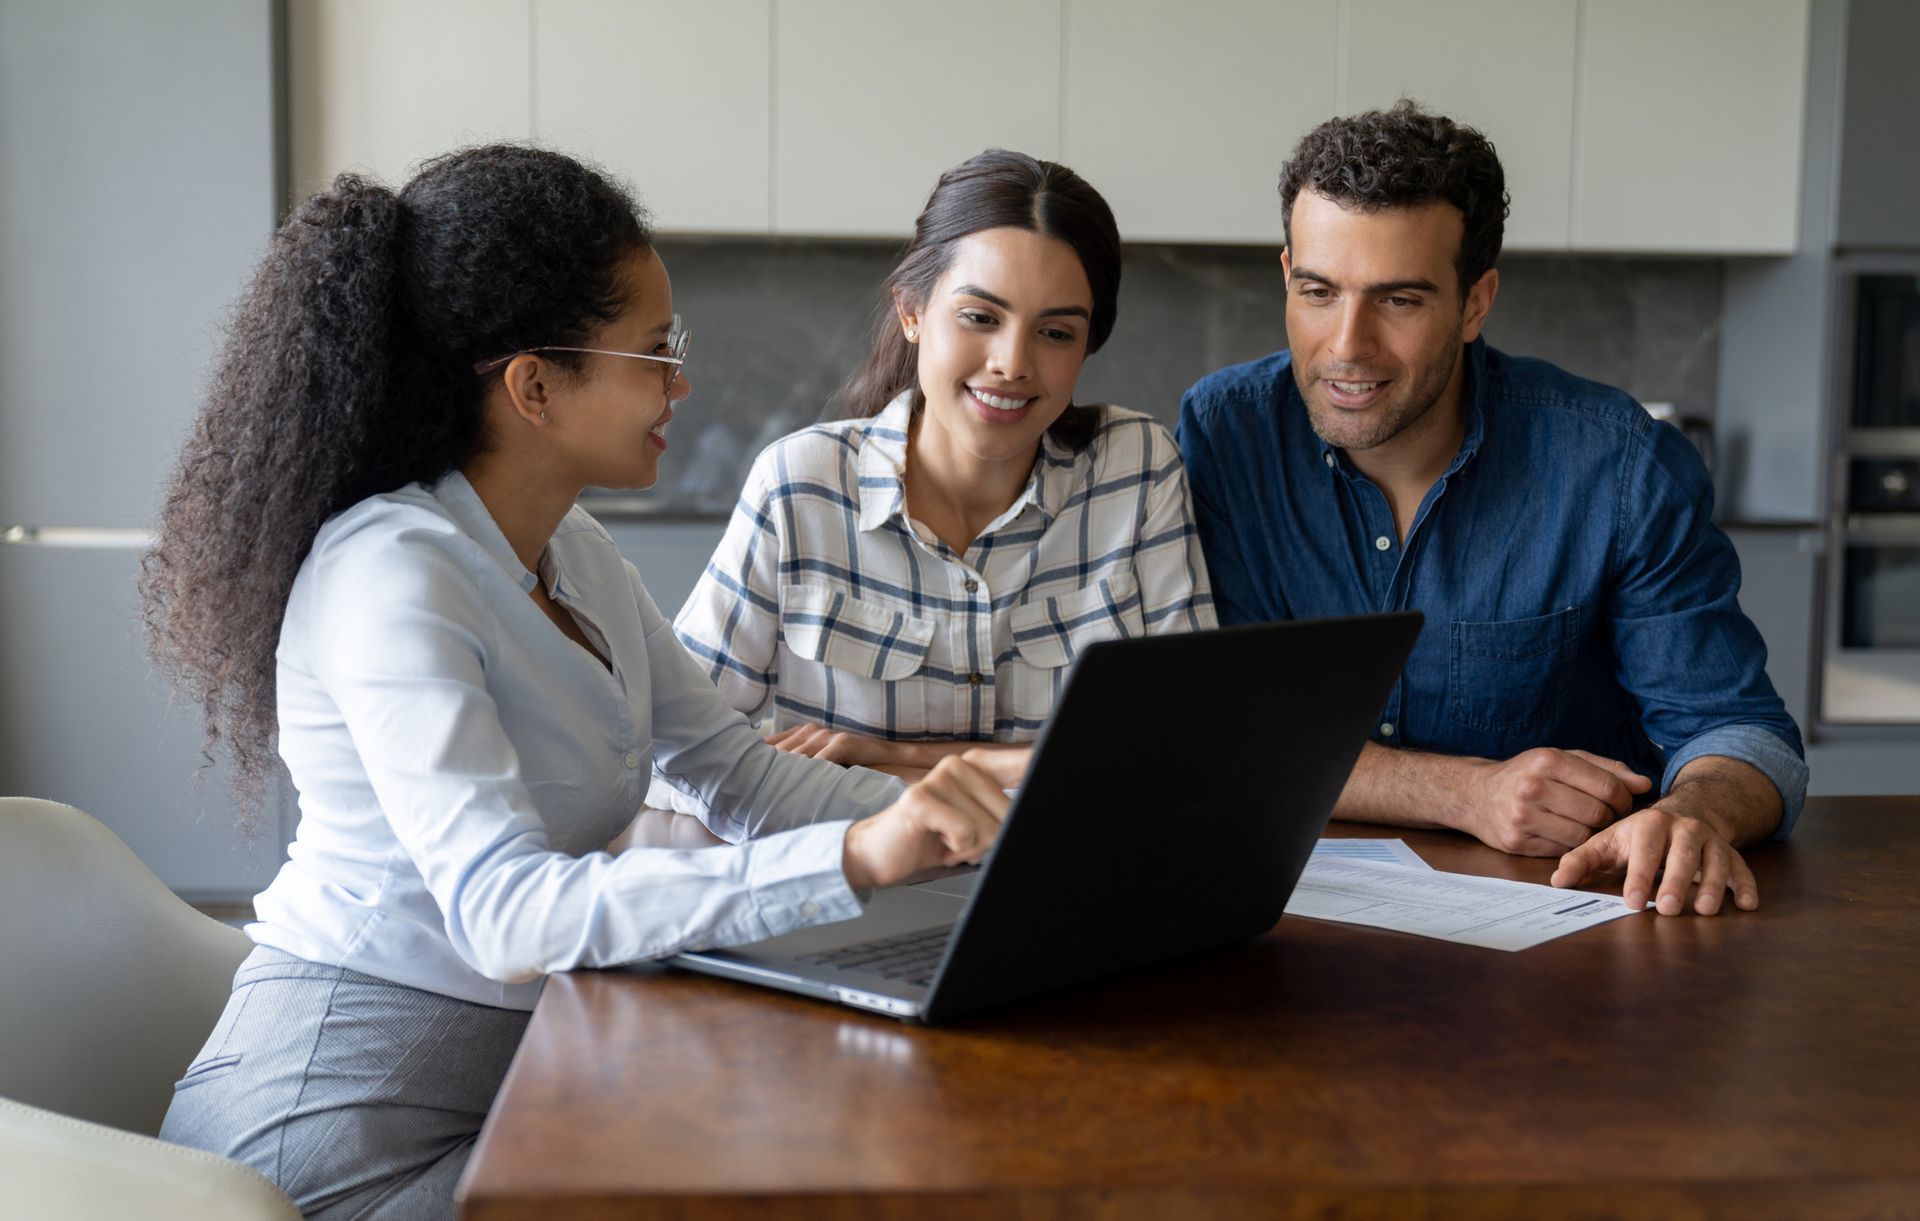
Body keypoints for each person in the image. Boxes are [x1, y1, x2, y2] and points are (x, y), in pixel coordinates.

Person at [140, 145, 1025, 1219]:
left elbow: (739, 777)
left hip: (510, 1087)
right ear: (534, 385)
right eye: (655, 351)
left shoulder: (576, 552)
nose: (682, 383)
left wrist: (990, 825)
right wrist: (854, 856)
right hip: (324, 1142)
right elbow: (506, 919)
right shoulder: (391, 573)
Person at [1176, 102, 1807, 918]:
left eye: (1399, 300)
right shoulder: (1226, 436)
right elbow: (1227, 732)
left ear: (1476, 303)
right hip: (1289, 932)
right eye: (1318, 291)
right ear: (1288, 272)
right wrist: (1466, 791)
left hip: (1571, 935)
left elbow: (1744, 733)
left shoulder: (1617, 464)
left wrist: (1694, 813)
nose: (1347, 345)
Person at [653, 149, 1213, 805]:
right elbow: (671, 755)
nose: (1012, 362)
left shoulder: (1137, 470)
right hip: (856, 886)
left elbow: (1194, 749)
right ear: (912, 312)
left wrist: (901, 759)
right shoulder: (800, 485)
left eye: (1056, 333)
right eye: (980, 317)